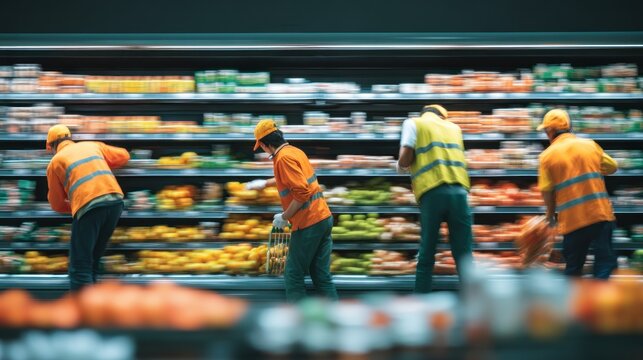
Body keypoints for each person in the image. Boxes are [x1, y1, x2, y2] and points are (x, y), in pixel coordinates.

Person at [246, 119, 338, 302]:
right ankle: (336, 317)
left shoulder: (282, 158)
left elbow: (302, 192)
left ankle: (298, 322)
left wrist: (285, 216)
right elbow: (294, 180)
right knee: (321, 275)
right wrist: (265, 183)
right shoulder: (294, 151)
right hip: (322, 217)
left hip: (308, 222)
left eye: (261, 146)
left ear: (265, 144)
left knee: (293, 274)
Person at [397, 104, 473, 293]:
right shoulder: (455, 128)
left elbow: (405, 158)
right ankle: (473, 299)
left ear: (424, 113)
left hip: (433, 192)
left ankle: (421, 298)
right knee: (463, 254)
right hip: (459, 193)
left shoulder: (414, 123)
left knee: (427, 252)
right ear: (442, 116)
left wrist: (400, 166)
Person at [46, 125, 130, 291]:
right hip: (115, 202)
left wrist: (75, 204)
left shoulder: (55, 162)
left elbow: (56, 204)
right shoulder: (91, 145)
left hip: (89, 206)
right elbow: (124, 155)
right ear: (70, 138)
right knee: (93, 260)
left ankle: (84, 313)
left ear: (50, 146)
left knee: (79, 266)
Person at [537, 109, 618, 279]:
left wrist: (550, 216)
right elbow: (612, 167)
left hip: (572, 221)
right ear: (569, 127)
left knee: (573, 268)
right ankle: (601, 302)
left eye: (546, 131)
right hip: (599, 215)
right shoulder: (589, 145)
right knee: (604, 264)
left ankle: (573, 303)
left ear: (550, 131)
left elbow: (546, 190)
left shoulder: (547, 156)